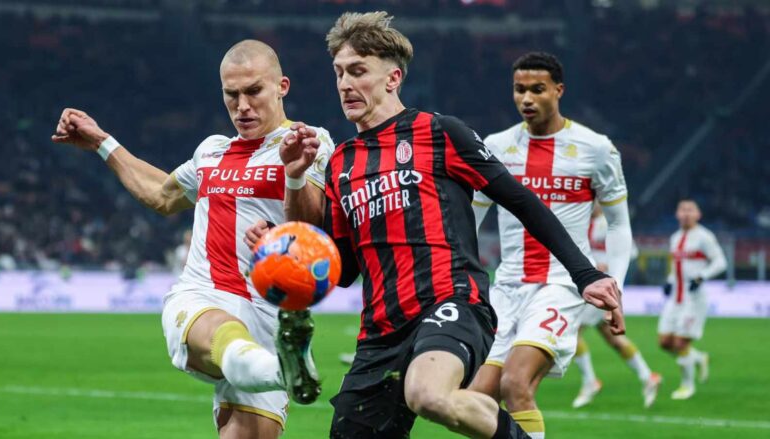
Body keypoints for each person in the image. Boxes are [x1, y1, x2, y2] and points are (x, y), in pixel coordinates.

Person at [251, 13, 623, 439]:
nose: (345, 84)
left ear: (393, 78)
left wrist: (585, 274)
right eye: (339, 73)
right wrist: (290, 203)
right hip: (381, 331)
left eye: (358, 71)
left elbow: (521, 201)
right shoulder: (341, 162)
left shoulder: (439, 132)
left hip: (452, 302)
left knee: (427, 394)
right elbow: (344, 269)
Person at [51, 39, 334, 438]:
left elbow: (313, 230)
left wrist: (295, 176)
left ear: (281, 86)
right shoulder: (212, 151)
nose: (242, 106)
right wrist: (101, 142)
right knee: (226, 334)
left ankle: (280, 364)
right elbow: (161, 195)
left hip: (269, 316)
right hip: (204, 296)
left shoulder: (307, 142)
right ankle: (282, 370)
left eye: (254, 91)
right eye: (231, 95)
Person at [466, 51, 634, 438]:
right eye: (519, 89)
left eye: (537, 89)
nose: (527, 98)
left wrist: (616, 286)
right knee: (475, 398)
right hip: (507, 287)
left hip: (562, 285)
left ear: (559, 90)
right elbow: (471, 219)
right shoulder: (496, 146)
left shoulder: (596, 148)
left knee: (516, 383)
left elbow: (618, 223)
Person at [571, 203, 661, 409]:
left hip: (602, 286)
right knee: (613, 338)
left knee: (572, 330)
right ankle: (648, 377)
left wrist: (609, 266)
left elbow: (631, 251)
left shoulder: (608, 224)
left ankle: (590, 381)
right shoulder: (582, 222)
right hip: (590, 286)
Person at [658, 199, 726, 400]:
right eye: (682, 210)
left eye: (690, 210)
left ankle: (687, 386)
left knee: (680, 343)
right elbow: (677, 267)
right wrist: (669, 280)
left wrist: (702, 276)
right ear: (677, 214)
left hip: (694, 299)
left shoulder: (704, 237)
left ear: (698, 214)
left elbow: (721, 262)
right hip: (675, 298)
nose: (686, 213)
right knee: (665, 342)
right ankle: (698, 358)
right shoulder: (675, 237)